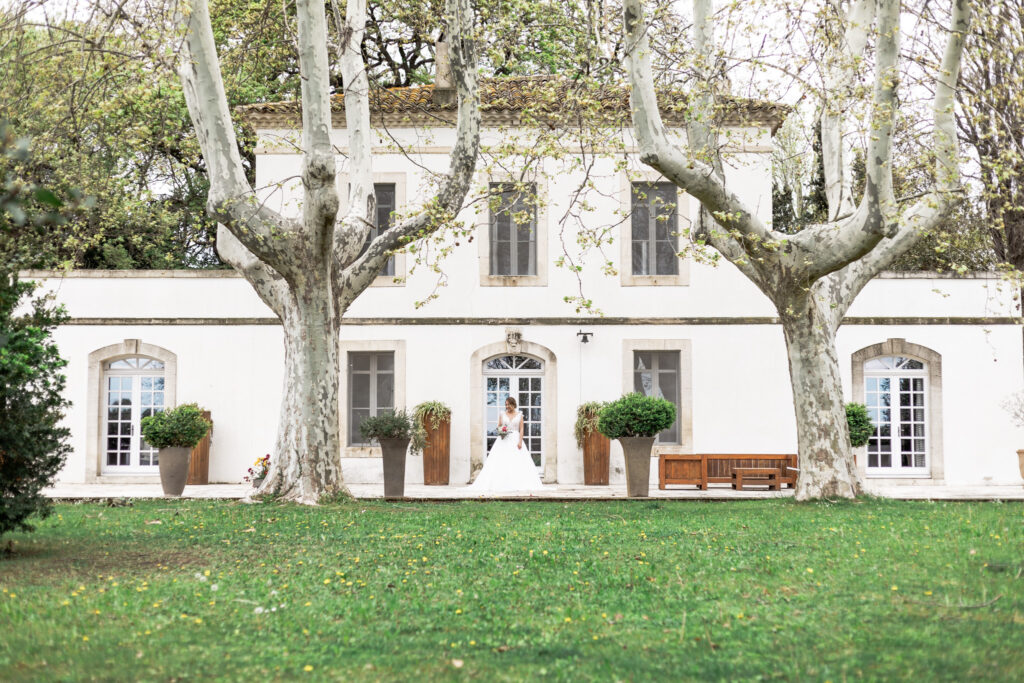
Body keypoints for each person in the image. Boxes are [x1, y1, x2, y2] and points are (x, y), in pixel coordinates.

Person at [469, 396, 544, 493]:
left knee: (517, 461)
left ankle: (517, 482)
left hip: (515, 439)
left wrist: (520, 441)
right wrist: (502, 432)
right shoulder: (502, 414)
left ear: (513, 404)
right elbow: (499, 426)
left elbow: (521, 429)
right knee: (501, 460)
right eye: (506, 405)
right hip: (503, 440)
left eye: (509, 404)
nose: (507, 406)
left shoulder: (520, 415)